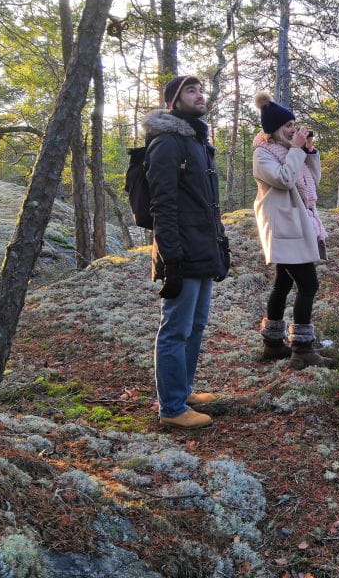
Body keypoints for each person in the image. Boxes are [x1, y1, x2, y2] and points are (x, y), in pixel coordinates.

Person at [144, 75, 228, 429]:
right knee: (175, 329)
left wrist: (220, 247)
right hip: (181, 251)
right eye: (190, 91)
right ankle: (172, 408)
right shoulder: (166, 143)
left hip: (202, 248)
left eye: (200, 90)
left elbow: (206, 204)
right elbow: (162, 205)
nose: (199, 95)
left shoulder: (197, 141)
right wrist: (171, 257)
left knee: (196, 325)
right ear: (172, 102)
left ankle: (184, 391)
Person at [251, 91, 333, 369]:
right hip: (283, 227)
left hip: (295, 226)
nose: (292, 129)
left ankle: (273, 344)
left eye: (293, 125)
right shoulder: (263, 155)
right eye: (288, 125)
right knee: (309, 284)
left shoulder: (289, 151)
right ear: (274, 128)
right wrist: (297, 150)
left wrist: (307, 150)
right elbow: (285, 180)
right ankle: (302, 349)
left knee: (283, 283)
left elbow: (313, 181)